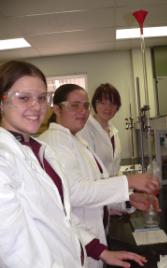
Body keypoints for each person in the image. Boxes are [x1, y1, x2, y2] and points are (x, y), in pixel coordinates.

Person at [0, 60, 150, 268]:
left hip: (77, 255)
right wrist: (129, 182)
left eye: (42, 98)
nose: (36, 106)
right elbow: (16, 249)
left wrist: (101, 251)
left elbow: (63, 215)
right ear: (2, 102)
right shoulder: (4, 160)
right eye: (24, 97)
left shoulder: (40, 151)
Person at [39, 83, 160, 268]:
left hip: (93, 234)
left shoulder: (75, 139)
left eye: (85, 105)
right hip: (78, 244)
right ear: (56, 109)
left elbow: (95, 184)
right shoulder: (55, 142)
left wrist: (128, 199)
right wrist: (129, 181)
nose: (82, 111)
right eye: (74, 105)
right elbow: (75, 193)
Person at [79, 83, 122, 177]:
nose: (108, 108)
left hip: (112, 187)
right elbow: (89, 168)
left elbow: (114, 167)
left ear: (117, 107)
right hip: (96, 188)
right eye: (103, 103)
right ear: (95, 104)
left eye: (113, 103)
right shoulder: (85, 129)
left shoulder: (113, 131)